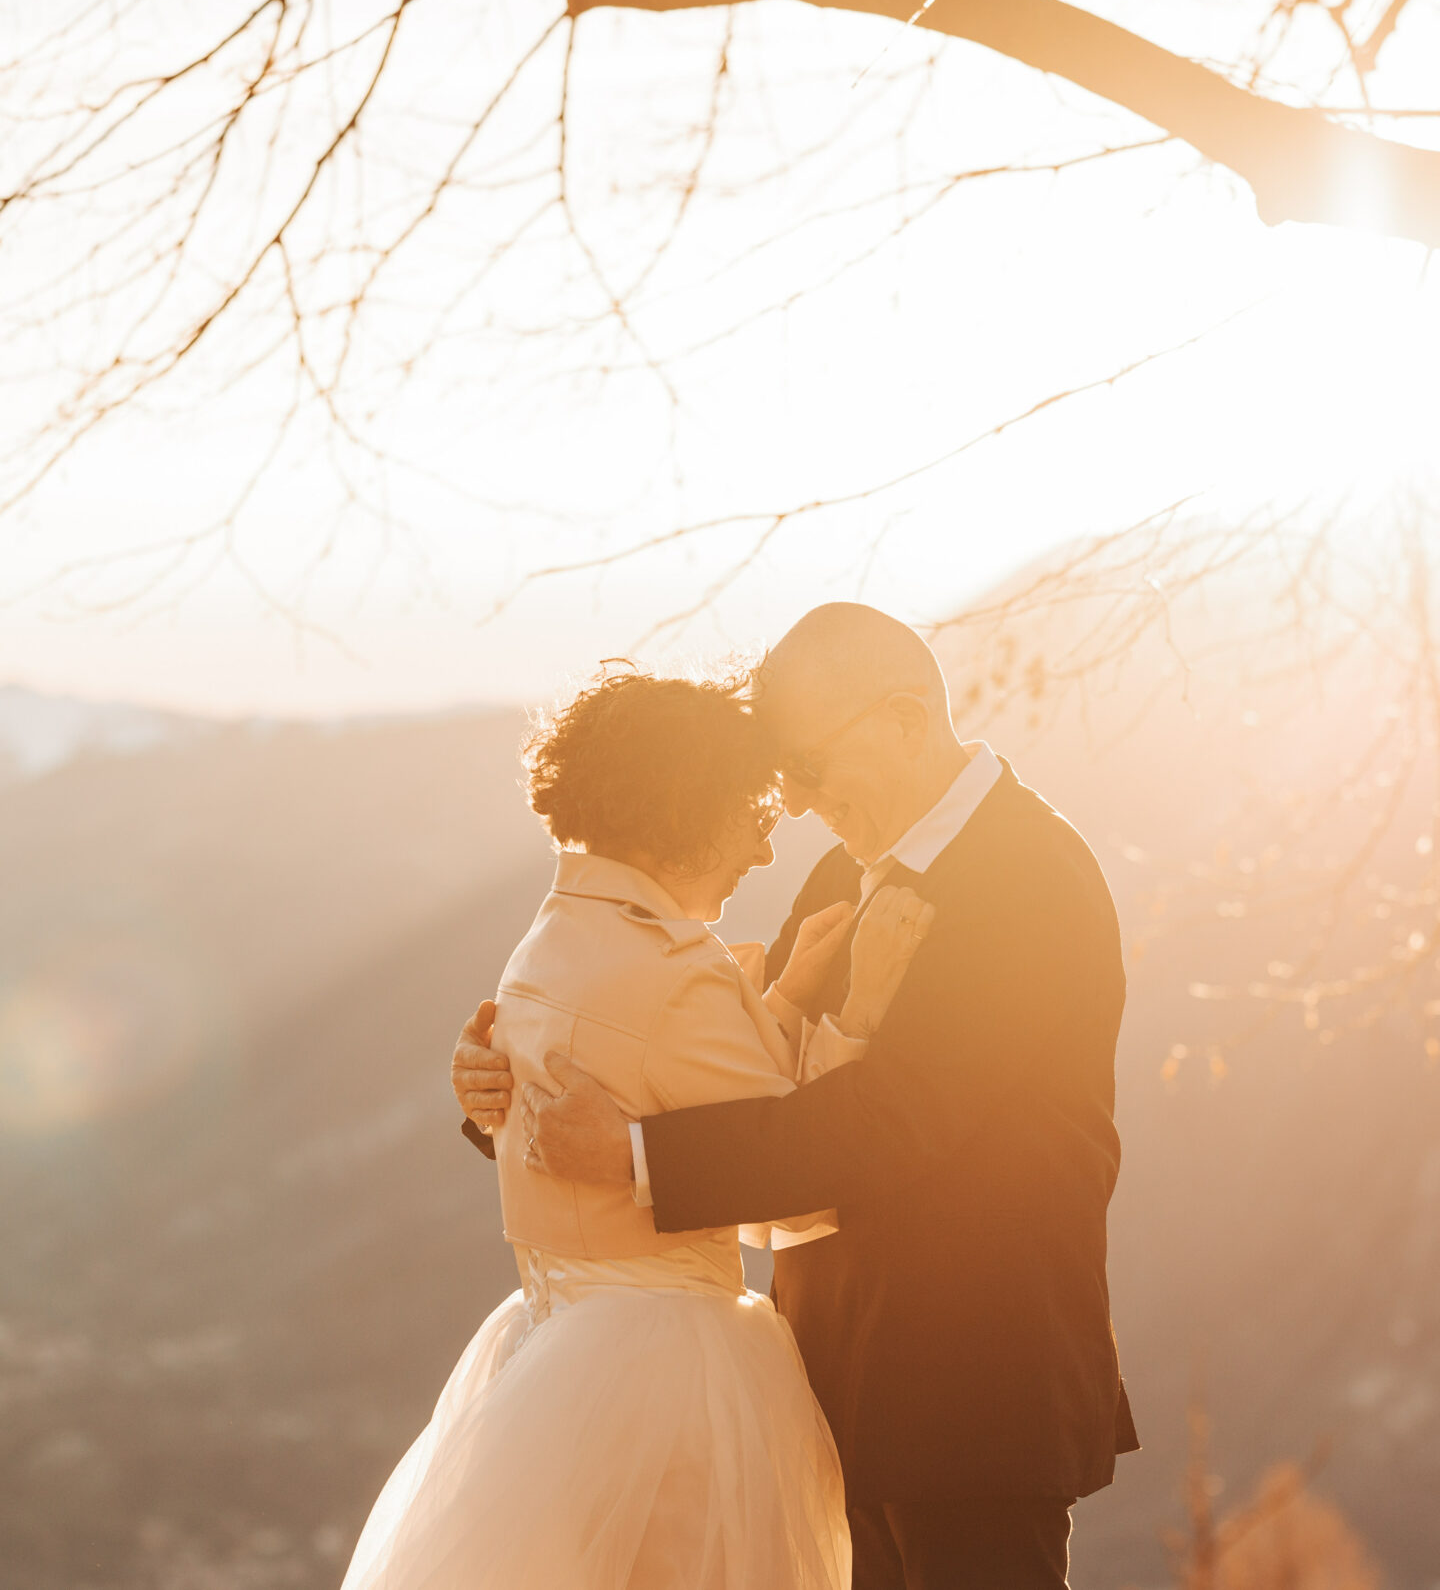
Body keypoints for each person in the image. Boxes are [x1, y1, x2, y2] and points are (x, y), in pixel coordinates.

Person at [452, 604, 1139, 1590]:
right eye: (787, 778)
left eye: (810, 766)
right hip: (828, 1391)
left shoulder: (1029, 879)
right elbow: (732, 1075)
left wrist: (630, 1154)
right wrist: (514, 1099)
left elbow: (889, 1121)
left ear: (905, 721)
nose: (802, 802)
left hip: (974, 1396)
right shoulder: (841, 873)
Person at [346, 665, 932, 1590]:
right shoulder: (677, 972)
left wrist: (777, 1001)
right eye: (755, 818)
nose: (763, 854)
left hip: (560, 1350)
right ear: (688, 811)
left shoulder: (546, 944)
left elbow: (663, 1086)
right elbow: (797, 1197)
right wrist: (855, 1023)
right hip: (674, 1383)